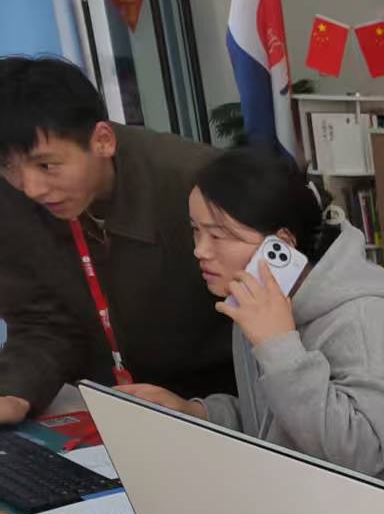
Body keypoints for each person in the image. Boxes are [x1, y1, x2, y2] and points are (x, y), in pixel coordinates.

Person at [119, 147, 384, 498]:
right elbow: (272, 419)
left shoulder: (362, 319)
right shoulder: (258, 301)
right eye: (195, 231)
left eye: (218, 235)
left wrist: (279, 347)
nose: (200, 250)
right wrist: (195, 412)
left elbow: (359, 455)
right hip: (304, 496)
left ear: (281, 246)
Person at [0, 55, 229, 426]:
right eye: (9, 167)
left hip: (220, 407)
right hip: (112, 408)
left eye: (46, 166)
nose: (31, 188)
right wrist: (14, 392)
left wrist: (210, 411)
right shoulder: (10, 199)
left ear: (103, 140)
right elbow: (40, 321)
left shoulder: (197, 182)